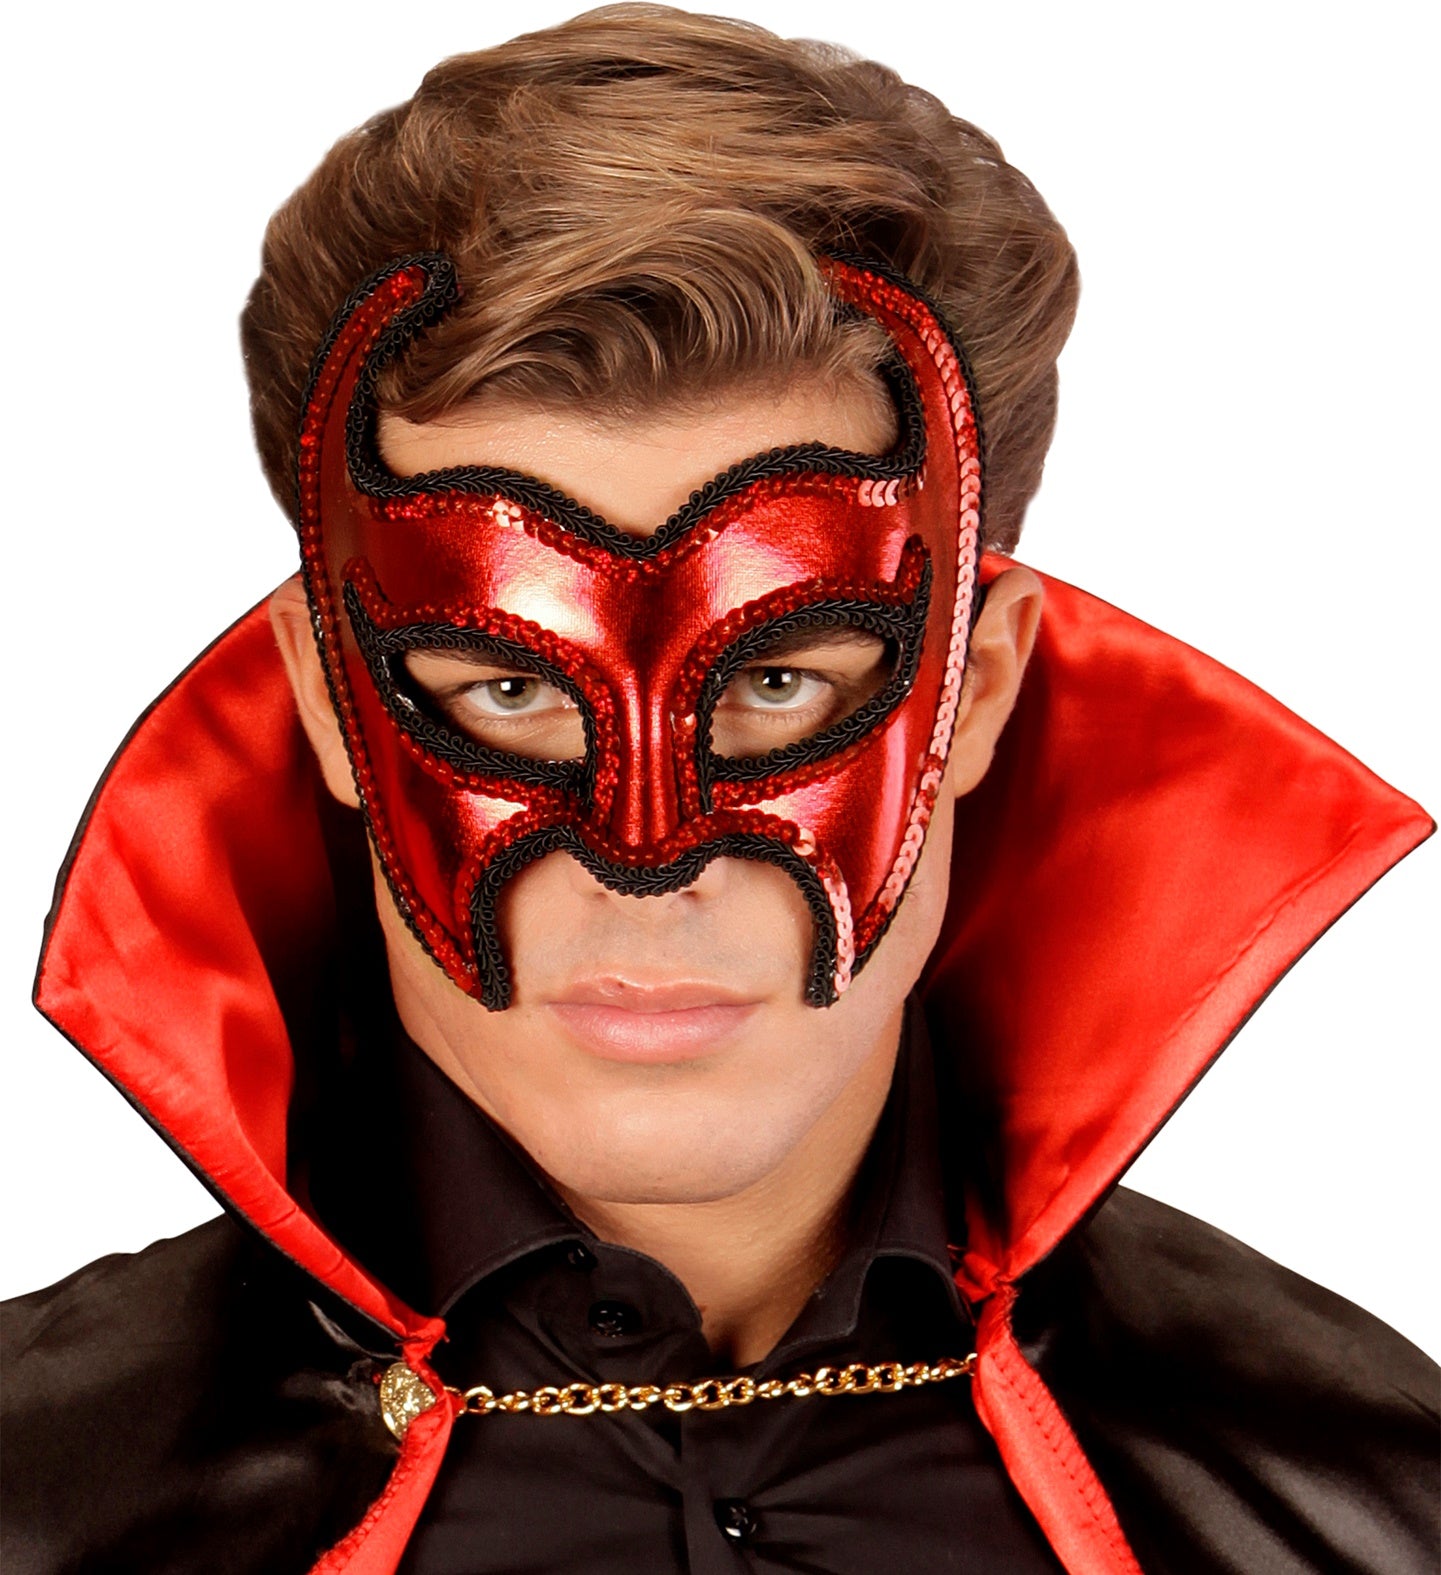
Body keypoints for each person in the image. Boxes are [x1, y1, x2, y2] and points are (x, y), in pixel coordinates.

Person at [2, 7, 1435, 1574]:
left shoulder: (1358, 1499)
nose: (645, 859)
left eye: (776, 683)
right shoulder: (43, 1503)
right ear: (329, 695)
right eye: (507, 689)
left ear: (977, 686)